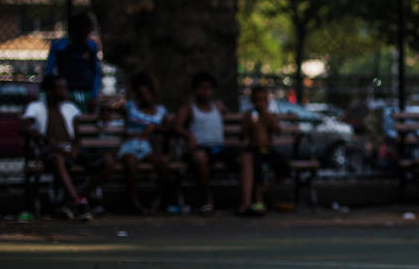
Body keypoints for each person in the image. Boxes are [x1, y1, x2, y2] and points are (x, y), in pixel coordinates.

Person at [21, 75, 114, 220]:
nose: (66, 92)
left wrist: (76, 148)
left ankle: (75, 200)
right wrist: (46, 139)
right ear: (51, 92)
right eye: (62, 88)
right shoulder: (36, 107)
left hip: (72, 151)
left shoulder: (70, 108)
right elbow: (24, 127)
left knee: (108, 161)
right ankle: (78, 202)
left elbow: (78, 134)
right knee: (58, 159)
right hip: (50, 152)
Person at [173, 72, 253, 215]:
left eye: (209, 88)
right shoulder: (189, 108)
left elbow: (232, 116)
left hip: (218, 147)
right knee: (200, 157)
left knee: (246, 157)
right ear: (195, 90)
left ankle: (246, 203)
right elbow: (176, 127)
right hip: (200, 148)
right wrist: (188, 135)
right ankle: (207, 199)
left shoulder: (218, 106)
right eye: (202, 88)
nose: (206, 92)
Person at [118, 72, 171, 214]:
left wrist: (154, 128)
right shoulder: (129, 107)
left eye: (148, 93)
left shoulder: (161, 110)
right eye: (141, 94)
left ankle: (158, 200)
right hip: (129, 145)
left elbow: (168, 129)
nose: (145, 97)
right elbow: (110, 111)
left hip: (148, 147)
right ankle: (134, 201)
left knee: (163, 162)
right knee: (130, 162)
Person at [240, 85, 290, 216]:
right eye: (257, 100)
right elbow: (241, 136)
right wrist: (249, 124)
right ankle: (256, 200)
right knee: (257, 168)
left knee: (284, 168)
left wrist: (269, 119)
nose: (260, 103)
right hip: (254, 150)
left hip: (268, 150)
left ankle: (259, 193)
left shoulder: (270, 115)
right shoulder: (250, 115)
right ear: (253, 101)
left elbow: (278, 131)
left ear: (267, 101)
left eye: (263, 100)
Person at [45, 13, 101, 114]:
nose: (85, 36)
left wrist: (94, 94)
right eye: (83, 33)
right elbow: (49, 70)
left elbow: (96, 71)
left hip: (86, 91)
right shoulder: (60, 46)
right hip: (66, 91)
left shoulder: (91, 46)